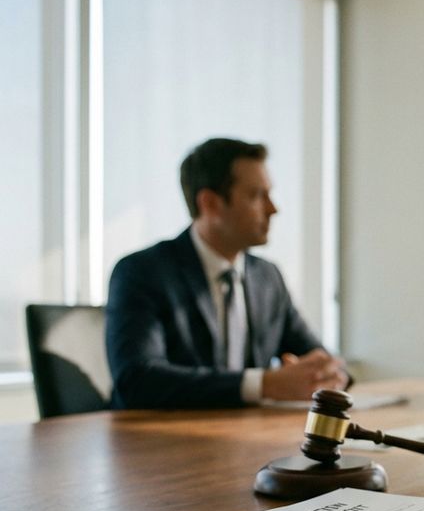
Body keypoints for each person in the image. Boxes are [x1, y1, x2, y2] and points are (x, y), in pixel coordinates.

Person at [106, 137, 350, 409]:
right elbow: (137, 380)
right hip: (156, 433)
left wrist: (328, 374)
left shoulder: (267, 277)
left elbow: (319, 358)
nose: (273, 209)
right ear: (210, 203)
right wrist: (265, 384)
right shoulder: (142, 272)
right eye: (256, 196)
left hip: (246, 432)